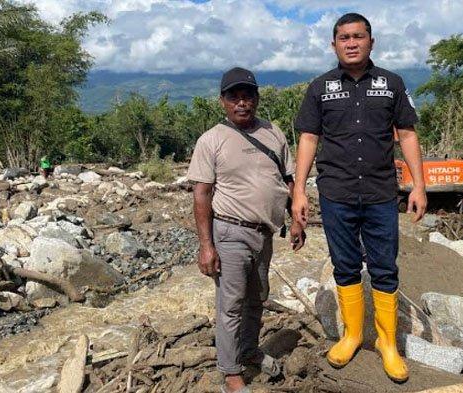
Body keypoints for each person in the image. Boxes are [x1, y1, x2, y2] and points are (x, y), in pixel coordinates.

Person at [291, 13, 427, 383]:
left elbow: (408, 134)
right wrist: (299, 190)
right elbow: (308, 139)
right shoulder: (320, 88)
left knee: (385, 268)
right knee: (345, 266)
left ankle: (387, 343)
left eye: (358, 36)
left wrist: (419, 185)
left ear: (371, 41)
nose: (351, 43)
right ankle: (353, 334)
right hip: (336, 193)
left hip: (382, 193)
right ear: (333, 44)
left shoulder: (391, 84)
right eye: (343, 38)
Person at [187, 67, 305, 393]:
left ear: (256, 98)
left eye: (247, 95)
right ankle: (231, 373)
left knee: (257, 299)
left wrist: (295, 219)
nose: (242, 102)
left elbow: (289, 179)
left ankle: (250, 350)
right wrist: (206, 246)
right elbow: (201, 194)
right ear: (223, 101)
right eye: (234, 96)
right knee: (232, 304)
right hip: (229, 232)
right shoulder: (211, 140)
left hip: (265, 233)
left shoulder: (273, 133)